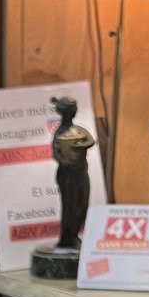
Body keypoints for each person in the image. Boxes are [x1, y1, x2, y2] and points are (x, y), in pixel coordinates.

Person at [51, 96, 96, 250]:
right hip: (67, 176)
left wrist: (78, 145)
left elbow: (90, 140)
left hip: (81, 173)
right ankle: (67, 239)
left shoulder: (78, 130)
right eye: (72, 110)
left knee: (82, 205)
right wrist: (69, 163)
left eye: (74, 110)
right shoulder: (59, 133)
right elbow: (56, 155)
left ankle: (75, 235)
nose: (74, 113)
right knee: (69, 207)